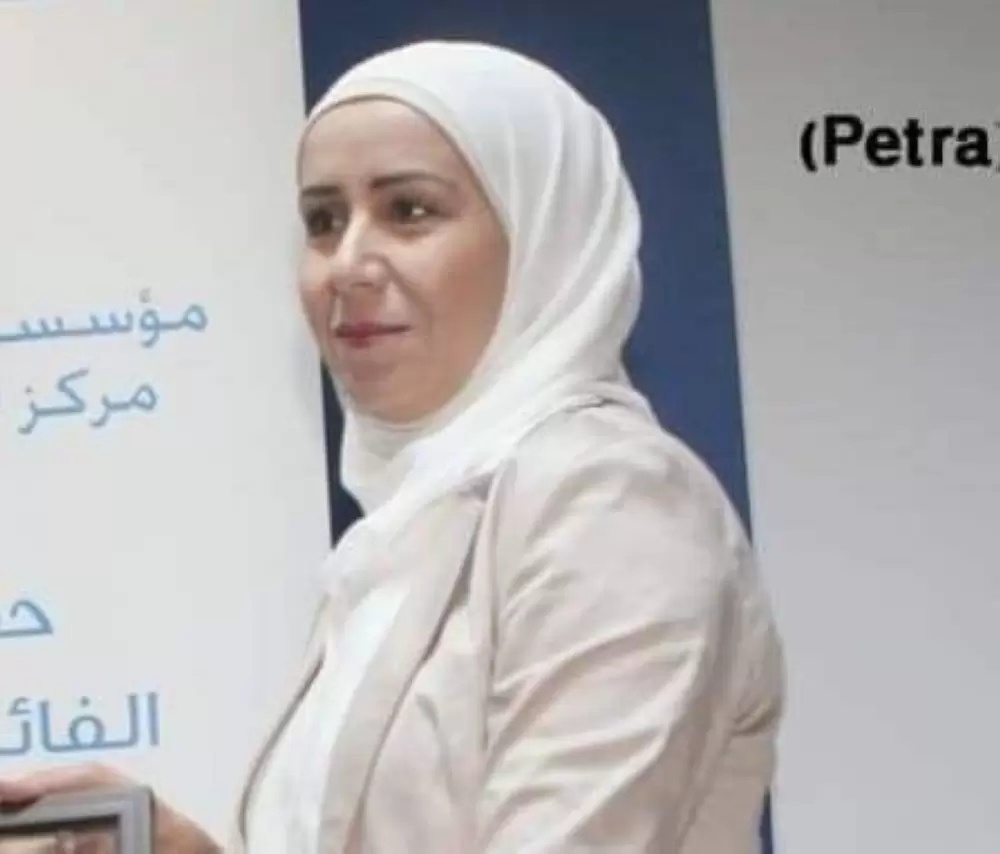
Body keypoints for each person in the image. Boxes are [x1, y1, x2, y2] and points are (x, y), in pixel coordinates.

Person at [0, 40, 784, 853]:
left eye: (409, 211)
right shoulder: (402, 533)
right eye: (323, 221)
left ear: (540, 231)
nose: (348, 265)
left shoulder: (609, 499)